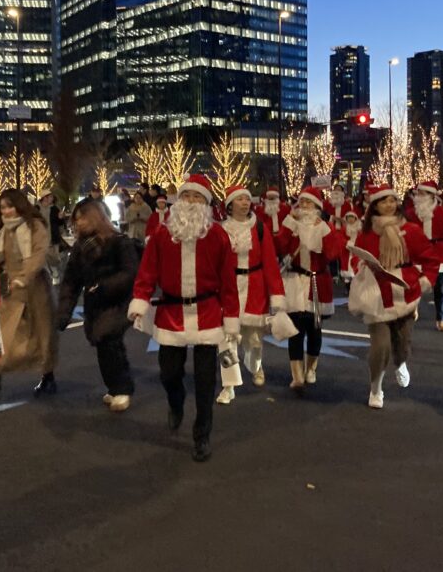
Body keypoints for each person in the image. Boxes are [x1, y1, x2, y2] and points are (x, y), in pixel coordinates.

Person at [128, 174, 240, 462]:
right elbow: (147, 271)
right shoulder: (163, 235)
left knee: (205, 381)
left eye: (198, 198)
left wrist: (232, 318)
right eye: (187, 196)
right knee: (169, 373)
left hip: (207, 313)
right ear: (179, 200)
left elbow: (228, 281)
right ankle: (175, 402)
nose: (191, 202)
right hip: (172, 313)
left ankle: (202, 435)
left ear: (207, 204)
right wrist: (140, 299)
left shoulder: (217, 236)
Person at [347, 183, 435, 409]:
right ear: (374, 206)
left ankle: (401, 361)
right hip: (377, 294)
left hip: (405, 291)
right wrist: (360, 267)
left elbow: (430, 259)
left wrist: (424, 280)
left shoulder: (411, 230)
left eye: (392, 200)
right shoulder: (366, 233)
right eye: (383, 201)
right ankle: (375, 387)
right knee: (380, 345)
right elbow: (357, 258)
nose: (389, 204)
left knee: (403, 342)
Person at [57, 199, 139, 411]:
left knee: (109, 339)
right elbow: (70, 282)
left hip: (119, 301)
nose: (79, 223)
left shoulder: (119, 242)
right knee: (103, 344)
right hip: (95, 304)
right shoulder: (80, 247)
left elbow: (130, 273)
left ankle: (122, 388)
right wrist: (63, 313)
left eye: (82, 218)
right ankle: (114, 387)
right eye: (76, 220)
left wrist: (103, 287)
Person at [0, 188, 58, 399]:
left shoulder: (35, 226)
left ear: (21, 205)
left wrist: (24, 276)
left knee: (44, 334)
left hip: (37, 288)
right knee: (1, 336)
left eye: (10, 206)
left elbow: (38, 254)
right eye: (2, 208)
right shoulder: (2, 232)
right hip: (10, 290)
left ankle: (48, 377)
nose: (6, 211)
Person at [216, 185, 285, 403]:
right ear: (230, 204)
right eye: (240, 199)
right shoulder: (220, 230)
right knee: (227, 339)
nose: (245, 203)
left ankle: (255, 365)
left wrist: (276, 294)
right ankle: (229, 385)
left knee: (254, 341)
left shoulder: (260, 228)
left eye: (247, 199)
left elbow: (270, 264)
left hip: (255, 286)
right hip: (229, 288)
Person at [275, 186, 344, 392]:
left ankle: (311, 368)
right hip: (295, 281)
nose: (304, 207)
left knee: (314, 331)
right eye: (302, 202)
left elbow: (332, 253)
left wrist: (323, 228)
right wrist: (289, 221)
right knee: (295, 331)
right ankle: (297, 376)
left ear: (317, 207)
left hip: (317, 284)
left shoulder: (324, 227)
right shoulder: (292, 225)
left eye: (309, 203)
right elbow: (279, 246)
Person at [405, 181, 443, 332]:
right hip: (418, 254)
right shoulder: (411, 213)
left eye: (423, 193)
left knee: (440, 288)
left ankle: (440, 319)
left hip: (439, 255)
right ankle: (413, 308)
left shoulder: (442, 212)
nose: (419, 196)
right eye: (418, 193)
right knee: (414, 284)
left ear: (431, 196)